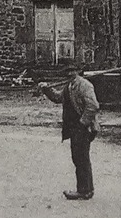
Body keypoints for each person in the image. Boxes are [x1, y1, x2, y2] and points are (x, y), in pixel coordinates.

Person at [39, 64, 99, 200]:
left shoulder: (84, 85)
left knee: (82, 158)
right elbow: (58, 97)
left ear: (77, 71)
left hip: (84, 128)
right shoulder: (69, 86)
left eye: (72, 71)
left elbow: (93, 106)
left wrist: (82, 123)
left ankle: (84, 191)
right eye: (66, 72)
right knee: (78, 158)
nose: (69, 74)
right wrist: (46, 89)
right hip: (74, 128)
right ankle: (85, 190)